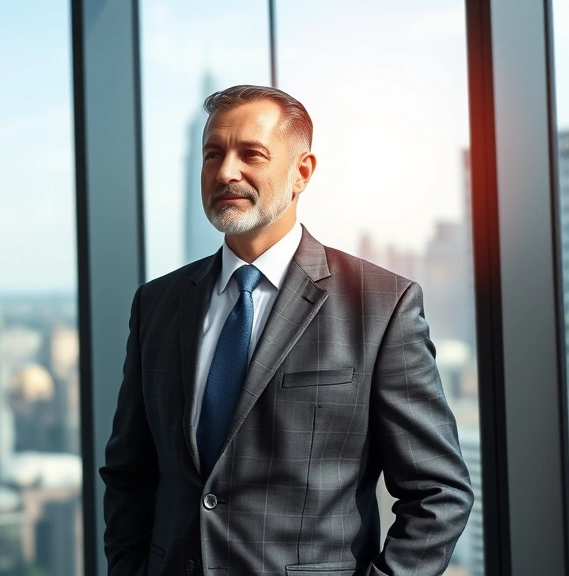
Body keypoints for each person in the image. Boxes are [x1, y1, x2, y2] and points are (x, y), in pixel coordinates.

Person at [100, 85, 473, 576]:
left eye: (250, 154)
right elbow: (130, 474)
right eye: (214, 154)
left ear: (302, 173)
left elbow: (438, 492)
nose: (226, 171)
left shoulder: (382, 305)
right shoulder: (157, 304)